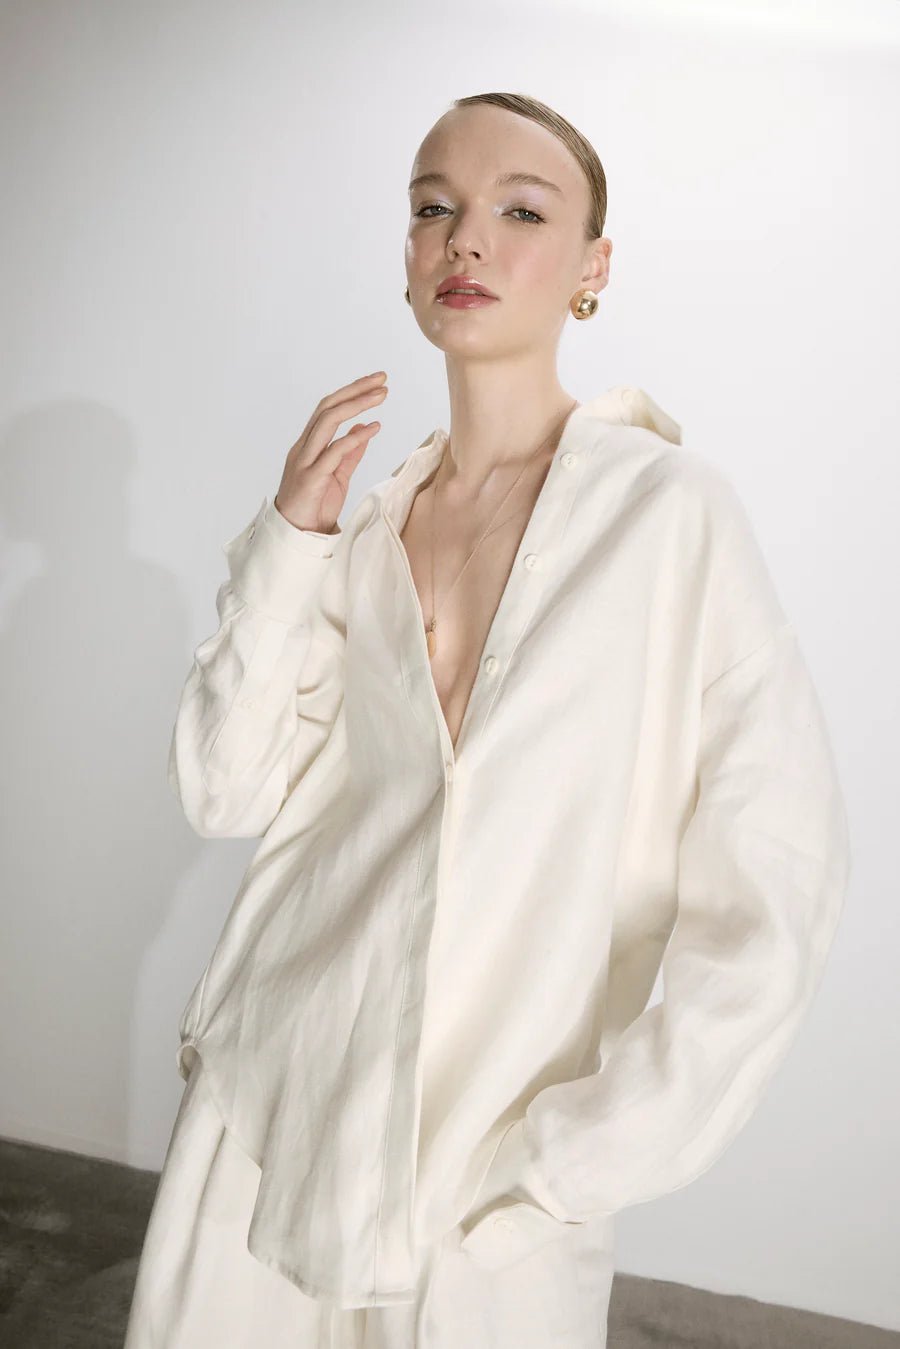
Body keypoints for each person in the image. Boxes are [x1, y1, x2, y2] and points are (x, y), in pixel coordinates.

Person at [124, 92, 851, 1348]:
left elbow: (779, 880)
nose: (466, 238)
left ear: (593, 266)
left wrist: (573, 1160)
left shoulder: (668, 515)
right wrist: (290, 541)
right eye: (434, 207)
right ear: (407, 251)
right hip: (267, 1119)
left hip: (484, 1182)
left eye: (521, 211)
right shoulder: (359, 532)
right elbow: (224, 788)